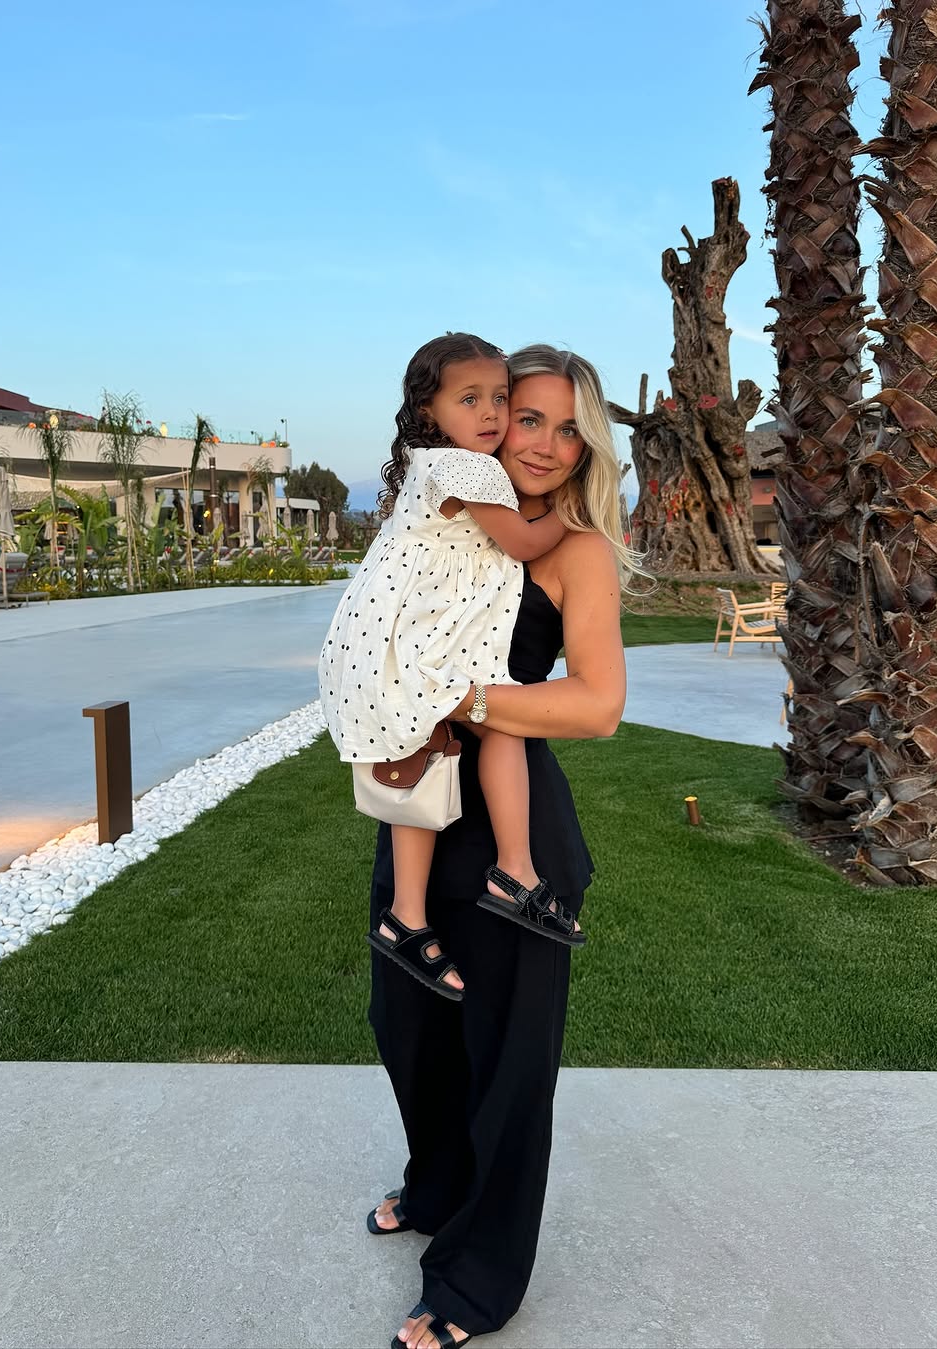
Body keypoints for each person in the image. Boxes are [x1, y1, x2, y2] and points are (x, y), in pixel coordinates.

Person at [364, 344, 637, 1349]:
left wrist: (459, 698)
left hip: (514, 838)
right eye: (530, 418)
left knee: (507, 1065)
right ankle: (437, 1184)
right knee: (408, 1024)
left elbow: (597, 703)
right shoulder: (446, 510)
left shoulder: (571, 549)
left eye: (571, 431)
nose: (548, 445)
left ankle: (477, 1278)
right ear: (487, 418)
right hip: (422, 810)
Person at [319, 334, 584, 1002]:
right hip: (422, 635)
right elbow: (522, 542)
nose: (490, 412)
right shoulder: (466, 469)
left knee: (422, 753)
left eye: (500, 397)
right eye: (470, 399)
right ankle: (515, 869)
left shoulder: (431, 464)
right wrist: (572, 515)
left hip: (401, 631)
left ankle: (405, 915)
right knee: (502, 723)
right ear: (428, 410)